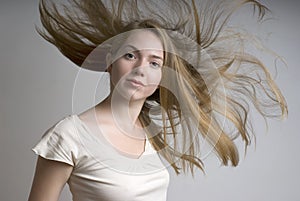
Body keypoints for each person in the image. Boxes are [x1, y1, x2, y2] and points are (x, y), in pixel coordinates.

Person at [28, 0, 287, 201]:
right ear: (110, 62)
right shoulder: (70, 134)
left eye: (154, 62)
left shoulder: (148, 134)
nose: (141, 68)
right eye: (130, 56)